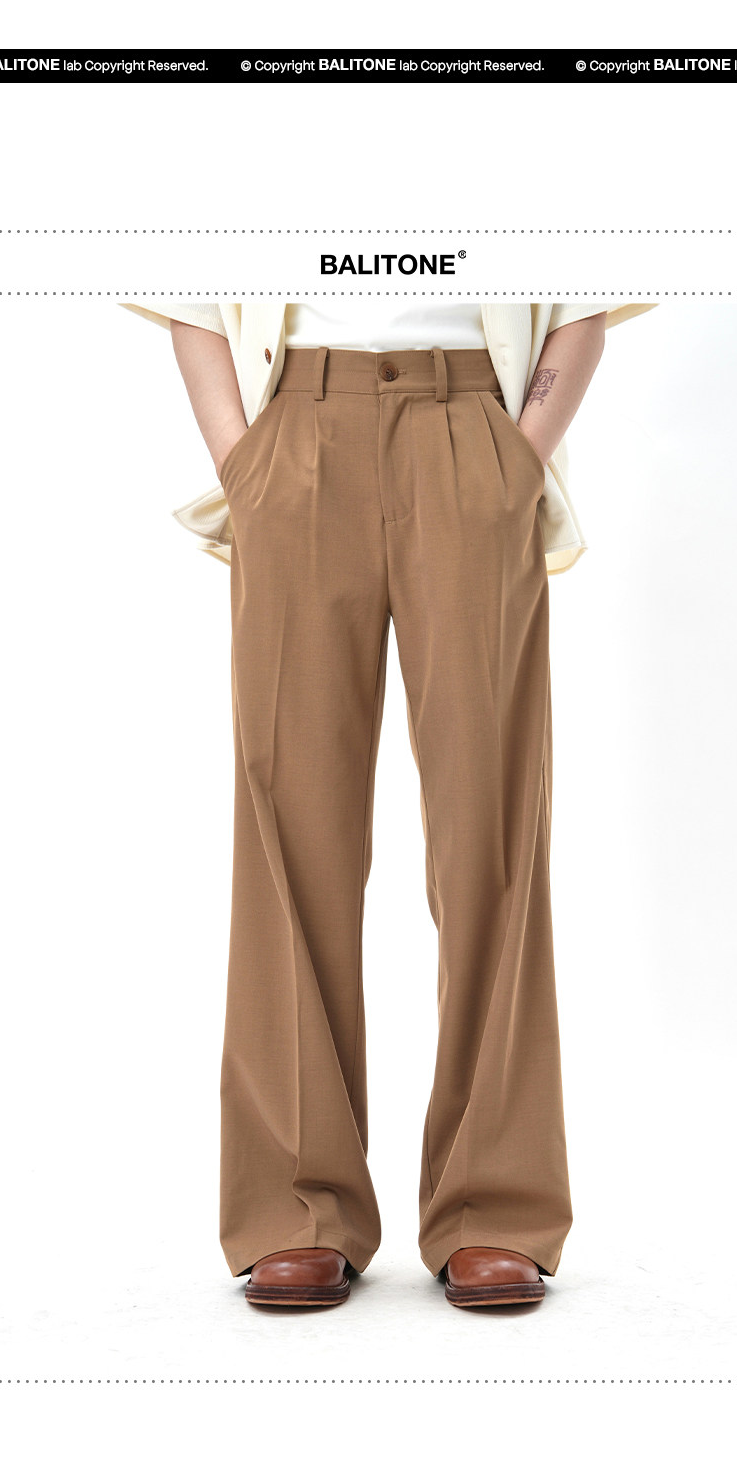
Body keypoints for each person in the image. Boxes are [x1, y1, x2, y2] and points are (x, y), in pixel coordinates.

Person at [126, 287, 647, 1311]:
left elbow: (584, 294)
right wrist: (244, 464)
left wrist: (519, 457)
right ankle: (295, 1205)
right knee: (288, 826)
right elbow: (187, 288)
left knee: (491, 824)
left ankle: (495, 1204)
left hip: (472, 427)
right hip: (296, 430)